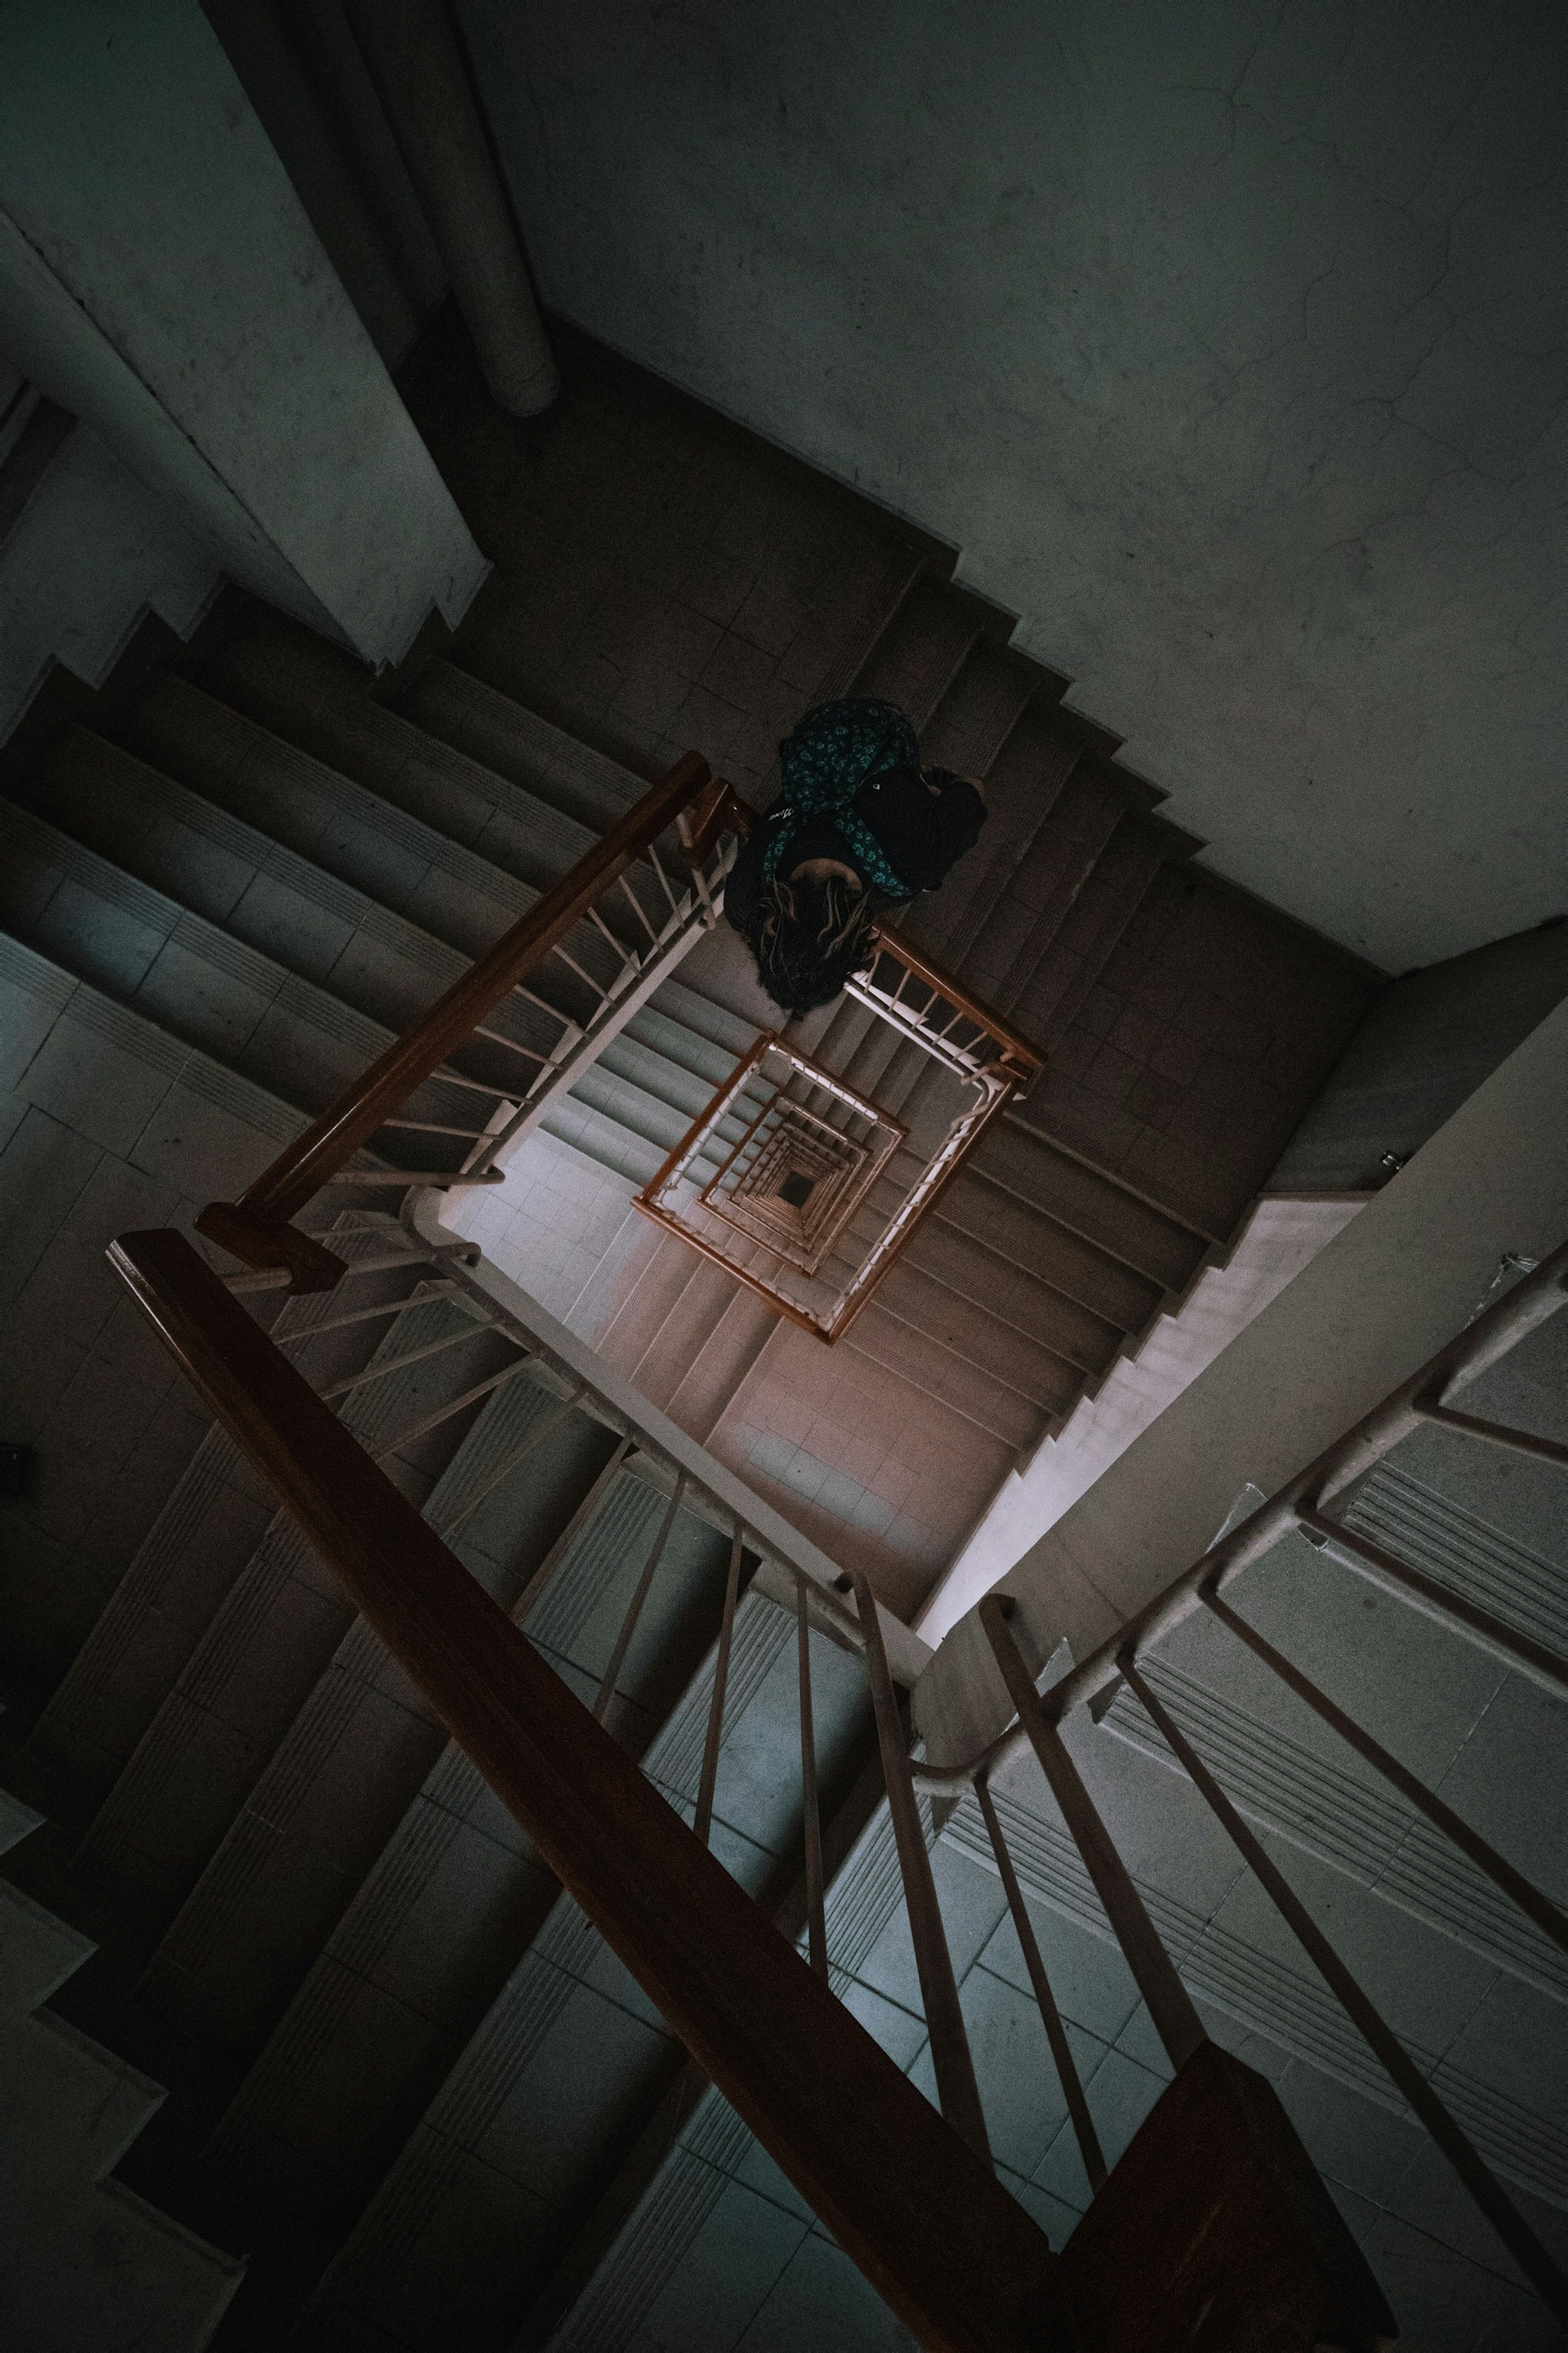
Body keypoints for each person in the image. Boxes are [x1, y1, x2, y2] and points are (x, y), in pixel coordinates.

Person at [724, 698, 987, 1016]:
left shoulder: (915, 867)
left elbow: (974, 787)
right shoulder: (743, 901)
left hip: (884, 729)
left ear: (852, 945)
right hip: (820, 731)